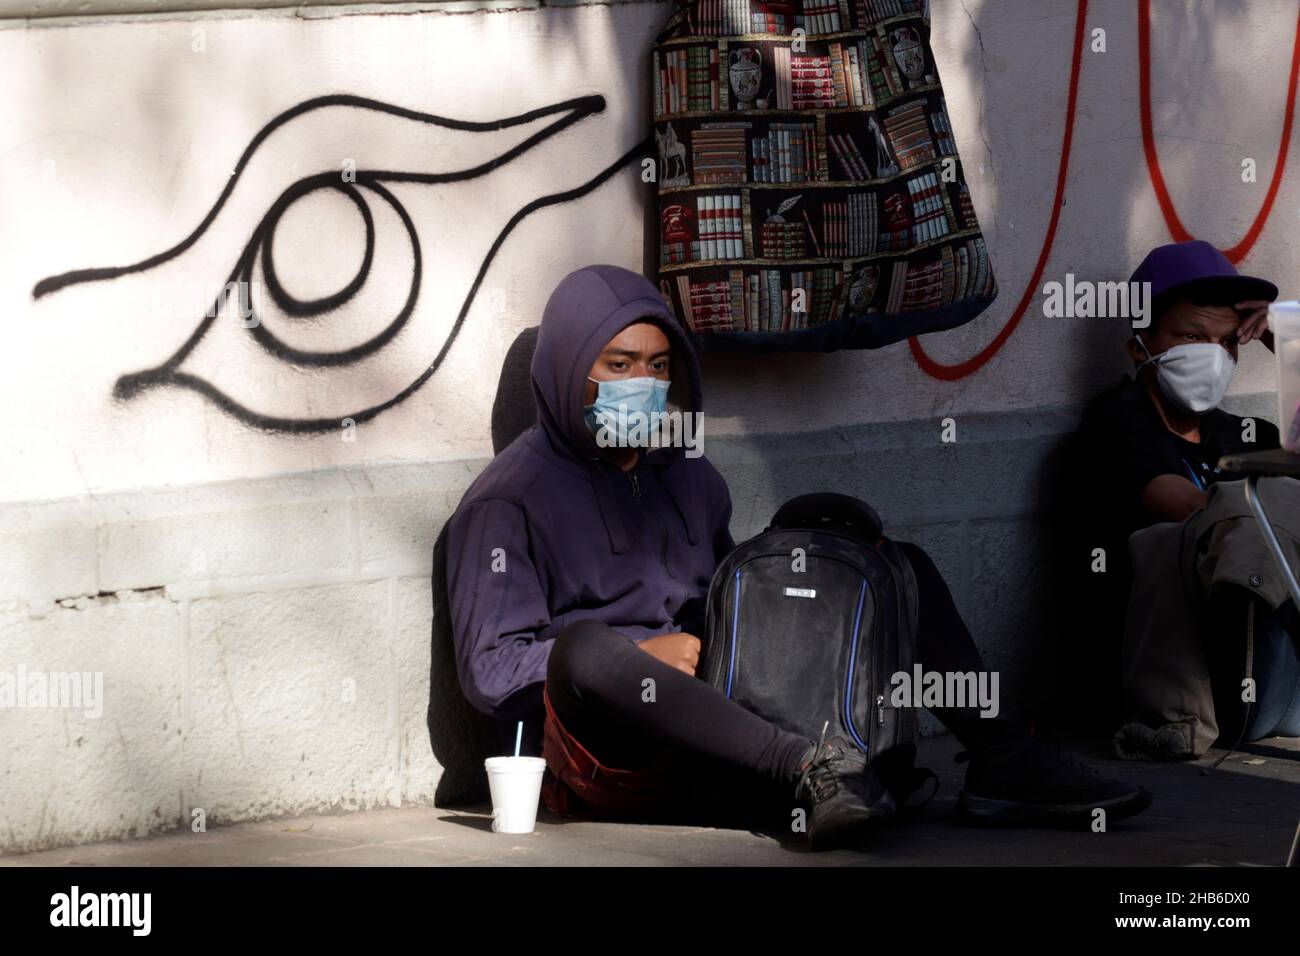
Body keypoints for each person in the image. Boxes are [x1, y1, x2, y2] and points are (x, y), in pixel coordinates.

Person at [445, 263, 1150, 850]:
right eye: (619, 364)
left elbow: (722, 598)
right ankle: (812, 770)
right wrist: (643, 654)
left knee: (887, 562)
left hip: (718, 718)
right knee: (587, 649)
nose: (644, 383)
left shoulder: (687, 473)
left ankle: (1002, 759)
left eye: (658, 366)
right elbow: (490, 670)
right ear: (570, 372)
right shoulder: (507, 501)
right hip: (605, 752)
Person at [1067, 240, 1300, 756]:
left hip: (1272, 667)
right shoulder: (1116, 422)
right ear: (1138, 345)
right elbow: (1191, 510)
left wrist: (1289, 347)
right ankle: (1170, 723)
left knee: (1274, 492)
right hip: (1190, 674)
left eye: (1226, 342)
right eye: (1191, 336)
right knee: (1181, 533)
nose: (1211, 357)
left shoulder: (1243, 434)